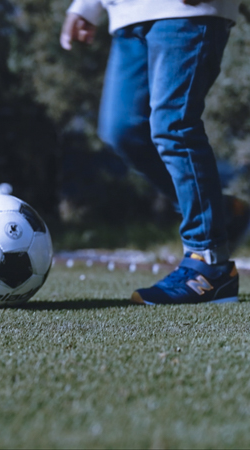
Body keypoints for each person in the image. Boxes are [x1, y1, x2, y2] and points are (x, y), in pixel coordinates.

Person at [60, 0, 249, 305]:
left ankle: (210, 262)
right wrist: (86, 7)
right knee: (122, 131)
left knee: (173, 125)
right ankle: (221, 214)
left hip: (186, 10)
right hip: (127, 14)